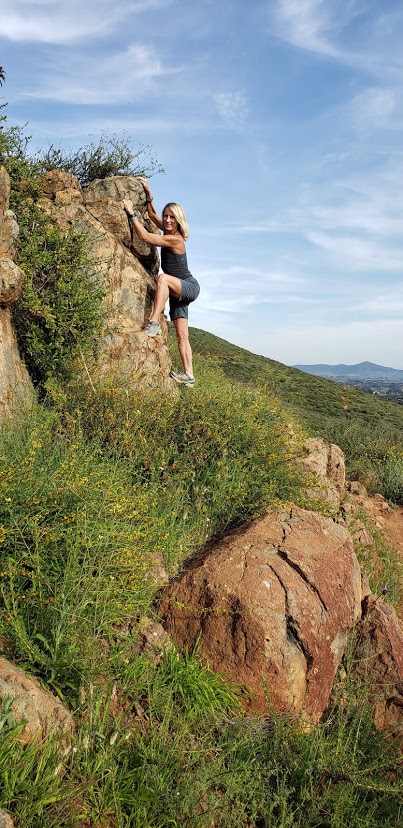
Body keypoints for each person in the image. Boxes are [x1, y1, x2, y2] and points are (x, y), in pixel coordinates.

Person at [122, 178, 200, 388]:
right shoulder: (167, 230)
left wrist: (131, 214)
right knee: (182, 335)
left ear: (178, 220)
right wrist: (149, 193)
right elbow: (152, 216)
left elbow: (147, 236)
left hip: (187, 286)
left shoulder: (176, 239)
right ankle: (189, 375)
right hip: (178, 291)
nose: (166, 220)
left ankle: (154, 322)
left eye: (171, 217)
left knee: (163, 279)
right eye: (166, 216)